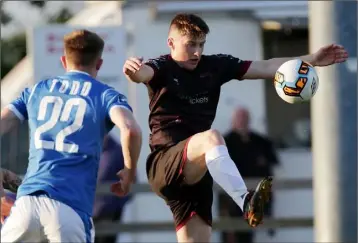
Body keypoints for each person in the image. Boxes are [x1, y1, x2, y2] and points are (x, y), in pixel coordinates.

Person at [122, 13, 348, 242]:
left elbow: (267, 66)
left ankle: (243, 201)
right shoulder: (161, 67)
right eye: (190, 44)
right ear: (171, 42)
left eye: (201, 44)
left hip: (196, 172)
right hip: (165, 163)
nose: (197, 52)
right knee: (212, 138)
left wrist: (312, 59)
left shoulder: (216, 66)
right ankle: (246, 201)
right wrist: (133, 71)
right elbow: (142, 74)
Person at [0, 29, 142, 242]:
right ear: (99, 64)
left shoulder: (37, 90)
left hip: (26, 206)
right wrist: (129, 174)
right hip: (69, 209)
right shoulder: (104, 94)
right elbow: (131, 129)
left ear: (64, 60)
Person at [220, 107, 279, 243]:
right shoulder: (225, 142)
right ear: (233, 121)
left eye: (244, 119)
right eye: (239, 119)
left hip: (254, 195)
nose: (242, 122)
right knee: (231, 232)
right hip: (231, 197)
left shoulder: (260, 142)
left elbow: (272, 162)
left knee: (247, 231)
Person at [93, 135, 134, 243]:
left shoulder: (117, 151)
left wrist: (117, 205)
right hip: (87, 212)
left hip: (108, 213)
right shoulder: (87, 149)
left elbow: (132, 180)